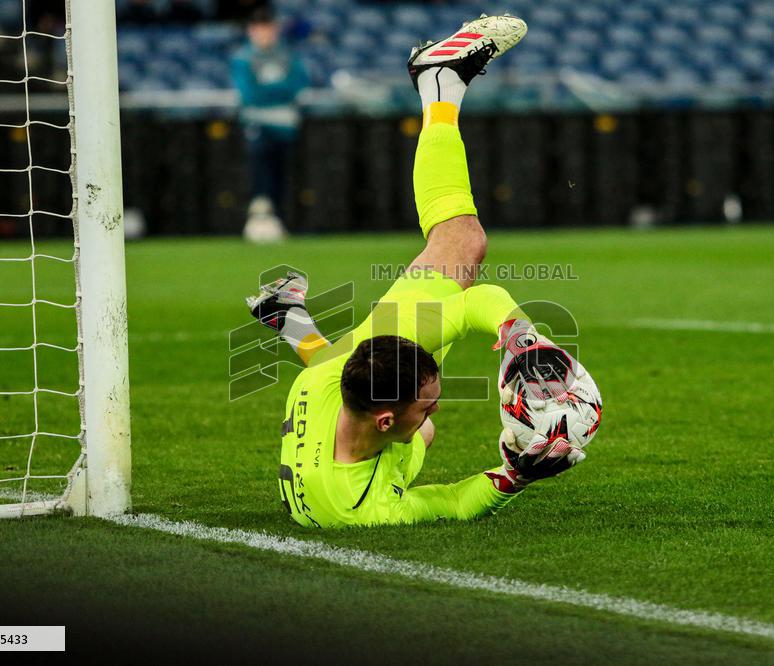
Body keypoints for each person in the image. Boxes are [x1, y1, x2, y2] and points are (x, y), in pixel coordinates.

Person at [246, 15, 602, 528]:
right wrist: (516, 474)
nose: (435, 408)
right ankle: (287, 316)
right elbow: (451, 501)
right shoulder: (363, 503)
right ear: (385, 419)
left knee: (462, 242)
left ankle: (441, 83)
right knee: (414, 426)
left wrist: (524, 339)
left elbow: (478, 303)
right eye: (427, 403)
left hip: (339, 413)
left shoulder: (339, 409)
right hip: (336, 430)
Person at [229, 6, 309, 242]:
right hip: (258, 125)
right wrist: (278, 91)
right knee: (259, 175)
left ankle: (282, 221)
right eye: (259, 28)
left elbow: (297, 86)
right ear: (251, 31)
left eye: (268, 28)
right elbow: (249, 94)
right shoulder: (243, 58)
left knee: (282, 177)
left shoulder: (287, 55)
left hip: (286, 127)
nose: (264, 33)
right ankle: (259, 221)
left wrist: (269, 91)